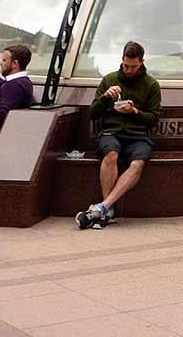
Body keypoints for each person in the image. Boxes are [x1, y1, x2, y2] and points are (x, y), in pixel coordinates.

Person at [77, 42, 160, 229]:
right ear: (121, 61)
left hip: (138, 134)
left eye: (133, 66)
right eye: (125, 65)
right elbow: (93, 114)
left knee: (138, 162)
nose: (129, 70)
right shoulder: (110, 79)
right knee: (111, 154)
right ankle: (107, 209)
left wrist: (135, 112)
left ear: (142, 62)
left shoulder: (151, 84)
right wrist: (106, 97)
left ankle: (103, 208)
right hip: (111, 132)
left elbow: (153, 118)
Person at [0, 43, 36, 138]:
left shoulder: (15, 85)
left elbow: (3, 113)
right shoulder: (20, 82)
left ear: (14, 64)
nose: (0, 63)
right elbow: (0, 88)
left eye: (4, 60)